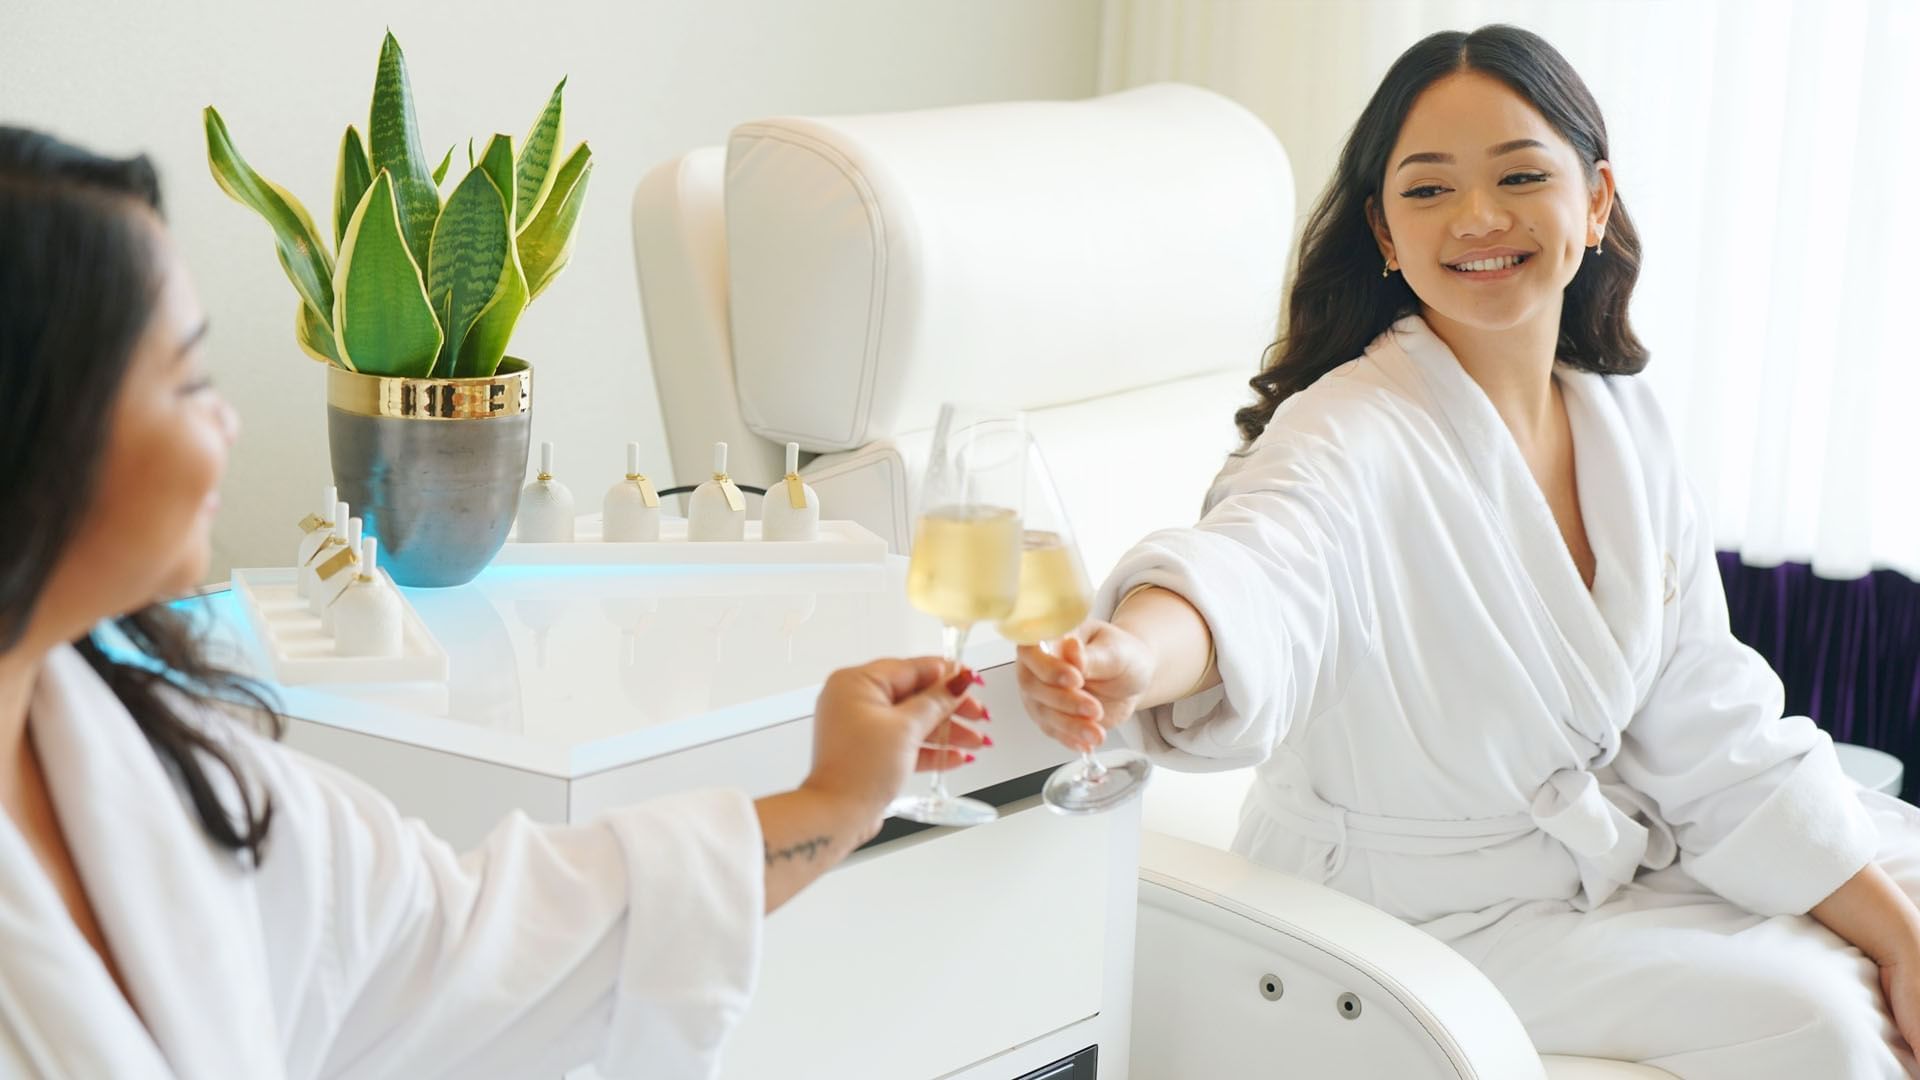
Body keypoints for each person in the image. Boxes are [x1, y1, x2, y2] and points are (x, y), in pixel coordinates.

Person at [1019, 24, 1920, 1079]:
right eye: (1430, 189)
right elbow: (1253, 570)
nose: (1479, 218)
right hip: (1413, 914)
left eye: (1520, 175)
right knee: (1827, 1021)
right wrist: (1138, 653)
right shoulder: (1346, 431)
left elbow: (1703, 715)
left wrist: (1894, 930)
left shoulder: (1622, 425)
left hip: (1588, 868)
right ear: (1386, 231)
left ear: (1595, 200)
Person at [0, 127, 990, 1079]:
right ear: (35, 429)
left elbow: (476, 938)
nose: (228, 422)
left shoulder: (155, 763)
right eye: (189, 382)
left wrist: (835, 801)